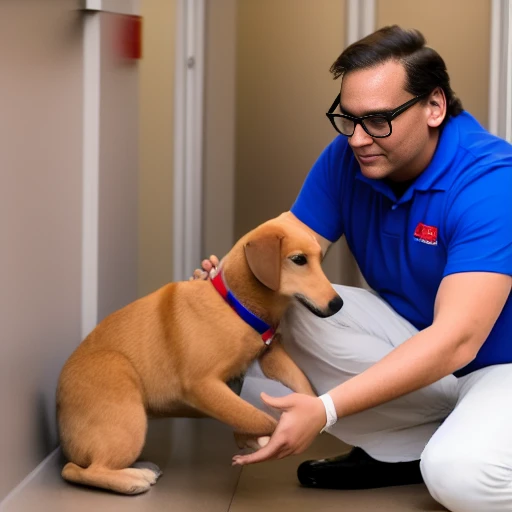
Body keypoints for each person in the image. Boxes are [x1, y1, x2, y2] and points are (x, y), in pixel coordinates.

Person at [194, 26, 512, 512]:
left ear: (434, 107)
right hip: (420, 346)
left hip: (497, 366)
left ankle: (455, 446)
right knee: (279, 304)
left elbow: (458, 340)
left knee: (460, 478)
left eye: (378, 120)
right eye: (349, 119)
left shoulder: (490, 182)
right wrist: (223, 289)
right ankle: (407, 448)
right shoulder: (350, 159)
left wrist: (325, 411)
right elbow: (283, 257)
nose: (358, 138)